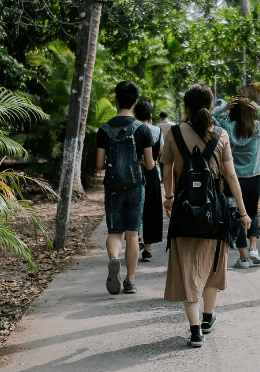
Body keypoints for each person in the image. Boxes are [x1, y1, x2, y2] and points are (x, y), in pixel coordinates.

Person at [160, 84, 251, 348]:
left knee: (188, 268)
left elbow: (166, 173)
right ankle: (208, 318)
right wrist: (243, 213)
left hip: (183, 211)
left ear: (185, 107)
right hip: (216, 212)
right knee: (213, 265)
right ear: (211, 107)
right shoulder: (221, 135)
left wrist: (168, 199)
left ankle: (195, 330)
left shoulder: (174, 134)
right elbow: (232, 176)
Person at [95, 81, 156, 295]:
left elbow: (99, 164)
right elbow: (149, 165)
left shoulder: (104, 130)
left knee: (114, 232)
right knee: (132, 234)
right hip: (135, 186)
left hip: (112, 187)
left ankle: (114, 259)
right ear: (135, 102)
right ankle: (130, 281)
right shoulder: (143, 130)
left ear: (115, 99)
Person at [212, 95, 260, 269]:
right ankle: (254, 249)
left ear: (233, 111)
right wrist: (259, 110)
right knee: (253, 212)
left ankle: (242, 259)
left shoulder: (226, 127)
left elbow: (211, 117)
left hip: (232, 179)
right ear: (250, 111)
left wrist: (223, 108)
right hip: (253, 179)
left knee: (238, 214)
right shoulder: (256, 127)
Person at [133, 100, 162, 262]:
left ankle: (136, 239)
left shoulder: (132, 129)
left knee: (135, 208)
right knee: (152, 209)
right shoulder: (156, 130)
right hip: (151, 173)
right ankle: (148, 250)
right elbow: (160, 151)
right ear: (150, 115)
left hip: (134, 172)